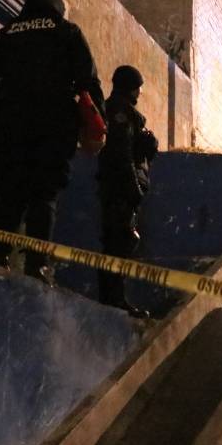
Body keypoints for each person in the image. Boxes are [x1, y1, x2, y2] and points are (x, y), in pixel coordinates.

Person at [0, 0, 104, 284]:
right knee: (44, 195)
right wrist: (97, 121)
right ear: (57, 3)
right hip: (55, 128)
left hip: (13, 128)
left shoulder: (7, 33)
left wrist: (0, 106)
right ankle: (37, 266)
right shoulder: (67, 32)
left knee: (10, 194)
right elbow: (88, 81)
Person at [98, 65, 157, 318]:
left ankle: (115, 298)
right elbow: (122, 155)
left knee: (121, 242)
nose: (140, 92)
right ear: (131, 87)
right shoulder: (121, 112)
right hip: (121, 190)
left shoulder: (119, 110)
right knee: (120, 242)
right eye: (138, 87)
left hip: (120, 188)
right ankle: (114, 300)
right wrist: (133, 188)